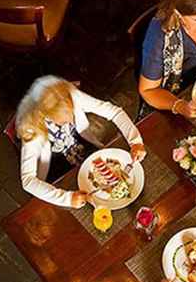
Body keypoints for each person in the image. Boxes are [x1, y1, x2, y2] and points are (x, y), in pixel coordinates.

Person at [16, 76, 146, 208]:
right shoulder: (32, 128)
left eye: (72, 113)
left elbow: (114, 112)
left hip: (88, 153)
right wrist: (67, 199)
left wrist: (135, 141)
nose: (72, 119)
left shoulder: (69, 95)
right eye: (64, 120)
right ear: (47, 115)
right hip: (58, 178)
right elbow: (28, 180)